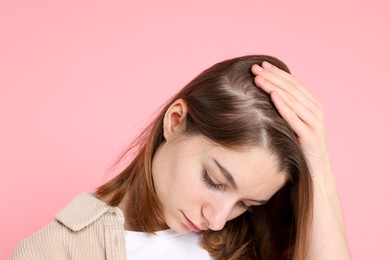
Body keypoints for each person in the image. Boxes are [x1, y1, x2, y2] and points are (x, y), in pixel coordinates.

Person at [10, 55, 351, 259]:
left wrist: (318, 162)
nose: (218, 220)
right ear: (175, 121)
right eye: (214, 181)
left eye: (246, 203)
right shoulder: (57, 250)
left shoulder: (252, 237)